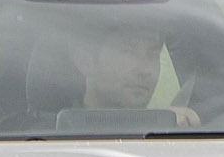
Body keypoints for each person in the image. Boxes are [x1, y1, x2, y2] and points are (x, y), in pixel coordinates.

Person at [63, 11, 200, 126]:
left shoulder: (174, 135)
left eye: (152, 54)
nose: (145, 70)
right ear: (84, 60)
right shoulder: (48, 140)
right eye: (127, 52)